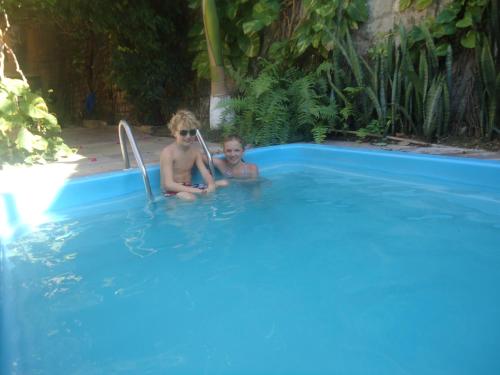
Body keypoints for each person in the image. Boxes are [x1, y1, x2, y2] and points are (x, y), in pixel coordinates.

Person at [160, 110, 226, 201]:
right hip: (173, 190)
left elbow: (205, 172)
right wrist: (196, 191)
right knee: (190, 198)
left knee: (224, 183)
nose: (188, 136)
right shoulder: (168, 153)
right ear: (174, 132)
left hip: (190, 186)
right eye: (183, 133)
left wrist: (210, 184)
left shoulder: (195, 151)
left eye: (192, 132)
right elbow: (168, 184)